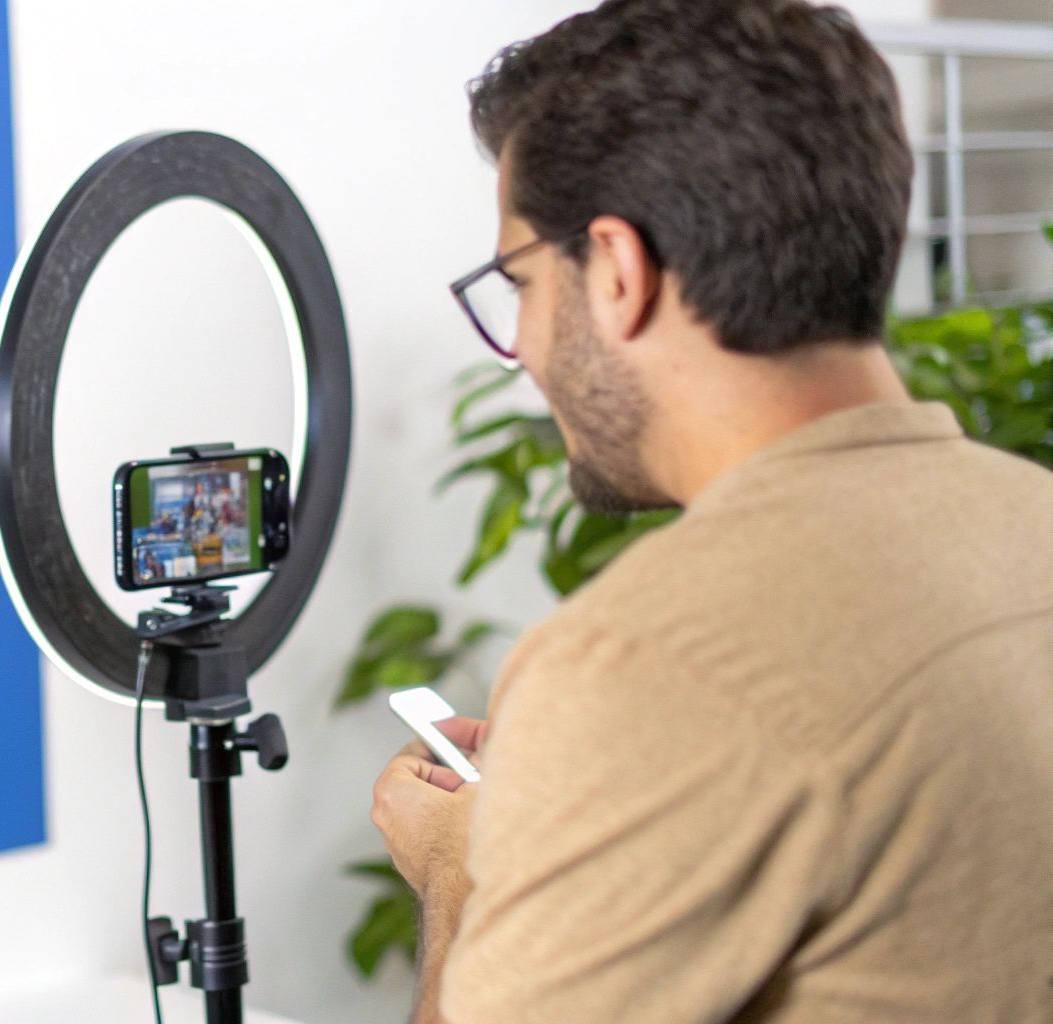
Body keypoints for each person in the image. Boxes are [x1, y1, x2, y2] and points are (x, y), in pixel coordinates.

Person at [369, 2, 1053, 1022]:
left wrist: (457, 875)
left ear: (614, 270)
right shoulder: (1030, 519)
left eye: (517, 282)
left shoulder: (643, 661)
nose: (518, 347)